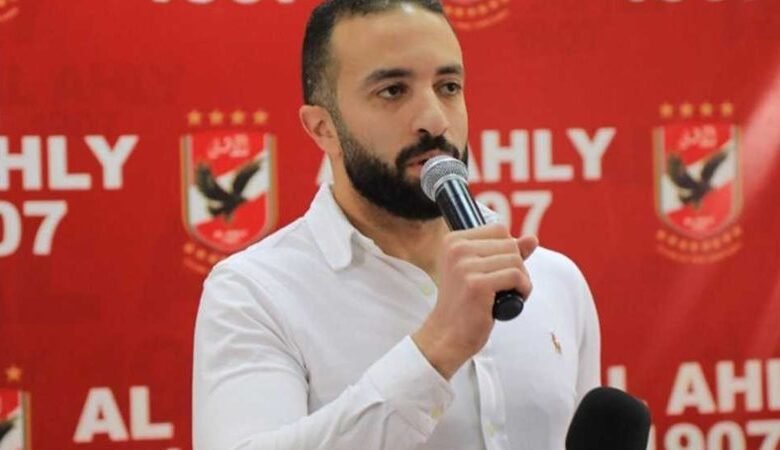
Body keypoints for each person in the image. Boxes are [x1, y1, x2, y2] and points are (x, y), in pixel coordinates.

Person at [192, 0, 601, 448]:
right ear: (322, 128)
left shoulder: (553, 278)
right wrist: (437, 347)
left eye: (448, 87)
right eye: (392, 91)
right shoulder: (254, 294)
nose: (434, 120)